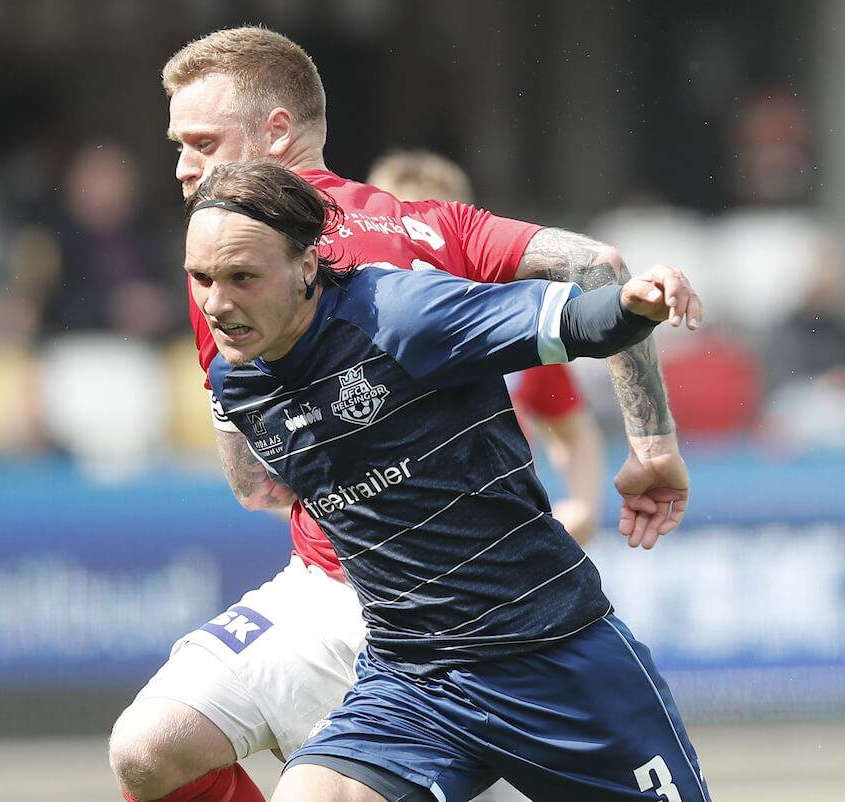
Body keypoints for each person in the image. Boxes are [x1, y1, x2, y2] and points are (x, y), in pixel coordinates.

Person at [109, 26, 692, 802]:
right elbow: (599, 266)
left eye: (202, 143)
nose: (184, 166)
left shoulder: (268, 268)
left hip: (505, 622)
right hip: (397, 639)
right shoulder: (397, 233)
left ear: (276, 133)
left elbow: (255, 488)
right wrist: (651, 442)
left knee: (151, 755)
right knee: (150, 750)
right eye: (180, 145)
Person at [193, 159, 709, 801]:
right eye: (201, 278)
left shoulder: (402, 313)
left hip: (550, 658)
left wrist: (634, 305)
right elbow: (264, 487)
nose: (217, 302)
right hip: (410, 681)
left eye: (242, 277)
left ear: (304, 267)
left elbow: (576, 320)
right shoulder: (236, 380)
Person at [366, 148, 604, 548]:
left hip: (501, 542)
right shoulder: (345, 335)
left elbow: (573, 429)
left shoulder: (508, 327)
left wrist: (583, 505)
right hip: (386, 554)